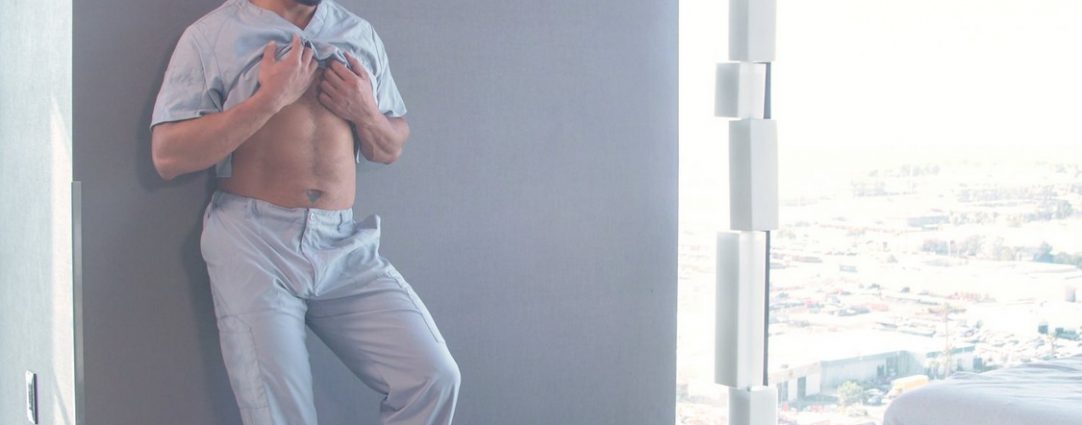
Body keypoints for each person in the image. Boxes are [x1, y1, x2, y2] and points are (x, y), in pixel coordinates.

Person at [148, 1, 460, 424]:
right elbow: (168, 155)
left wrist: (366, 112)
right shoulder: (213, 35)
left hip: (343, 246)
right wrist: (269, 99)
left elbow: (389, 146)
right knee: (281, 415)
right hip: (254, 245)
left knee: (433, 377)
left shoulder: (357, 33)